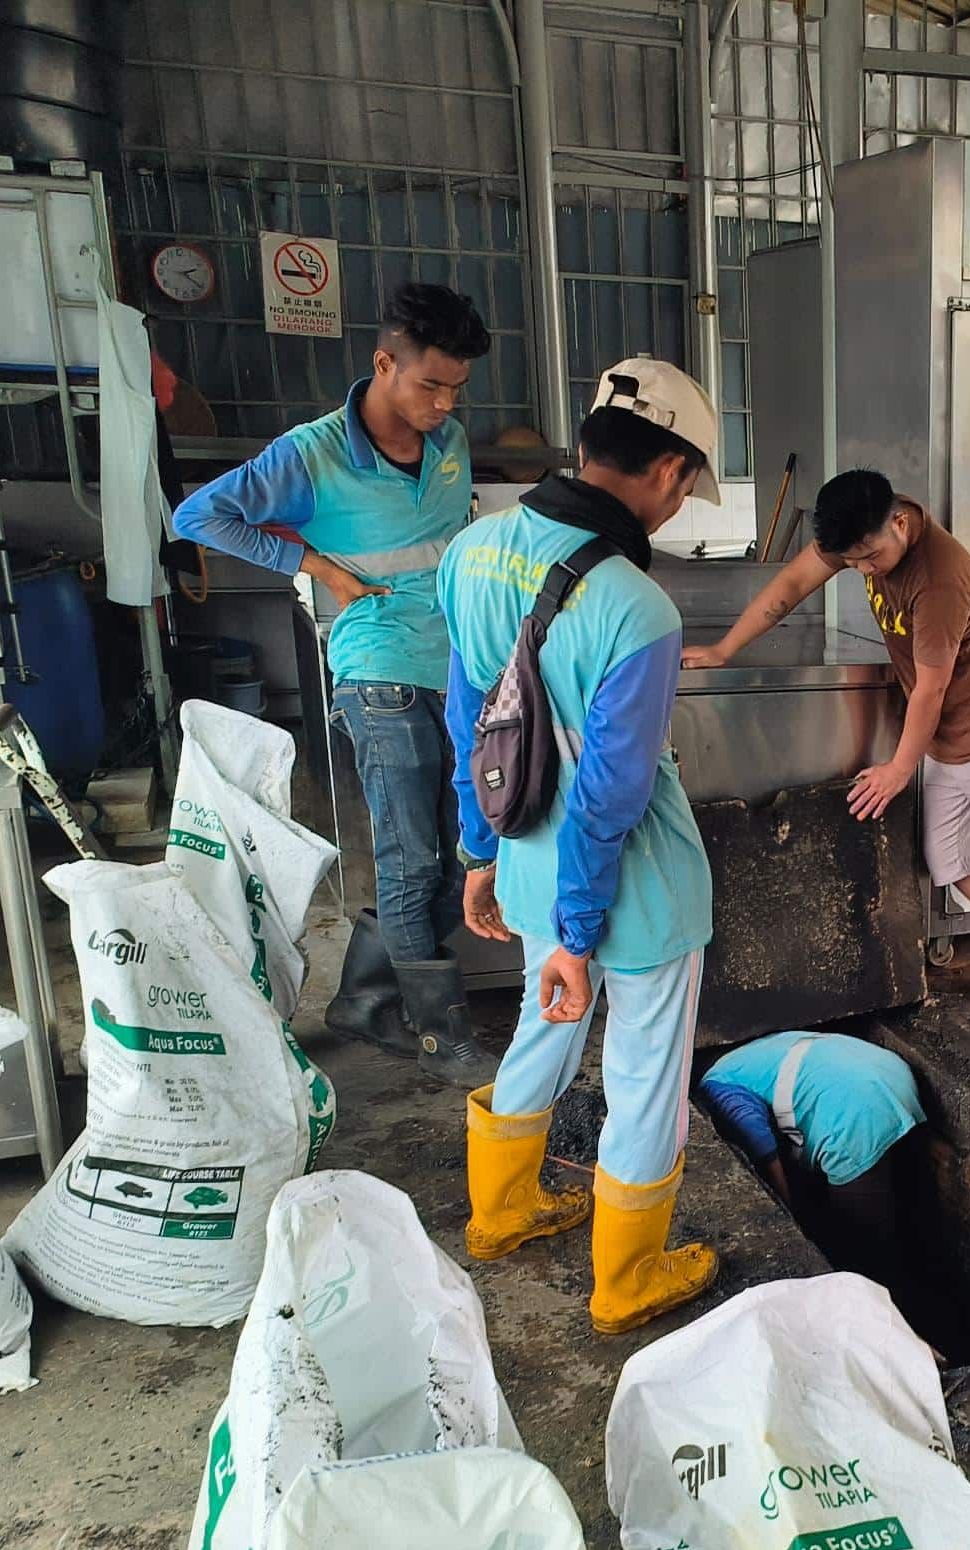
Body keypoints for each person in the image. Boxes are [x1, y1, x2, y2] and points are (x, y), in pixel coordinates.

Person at [441, 358, 723, 1335]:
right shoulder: (636, 608)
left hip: (523, 862)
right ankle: (627, 1279)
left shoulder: (471, 554)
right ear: (672, 472)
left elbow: (470, 724)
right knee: (645, 1078)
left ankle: (500, 1212)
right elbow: (611, 794)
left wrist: (481, 853)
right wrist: (580, 929)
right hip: (634, 899)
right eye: (687, 490)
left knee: (545, 1026)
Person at [171, 282, 492, 1083]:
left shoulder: (449, 442)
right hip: (377, 668)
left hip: (457, 666)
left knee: (461, 852)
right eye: (430, 384)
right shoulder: (309, 454)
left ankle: (361, 998)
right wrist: (311, 563)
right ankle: (433, 1028)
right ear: (384, 364)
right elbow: (198, 517)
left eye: (456, 387)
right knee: (412, 856)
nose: (445, 403)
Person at [687, 472, 970, 1035]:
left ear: (899, 523)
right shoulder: (860, 533)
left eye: (870, 558)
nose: (864, 570)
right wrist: (724, 649)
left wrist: (898, 769)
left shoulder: (939, 576)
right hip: (943, 732)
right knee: (948, 859)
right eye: (852, 562)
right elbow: (790, 587)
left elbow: (931, 689)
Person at [698, 1030, 925, 1252]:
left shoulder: (714, 1087)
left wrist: (789, 1217)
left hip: (855, 1112)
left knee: (862, 1242)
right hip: (892, 1071)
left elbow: (761, 1144)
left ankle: (884, 1278)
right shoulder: (752, 1056)